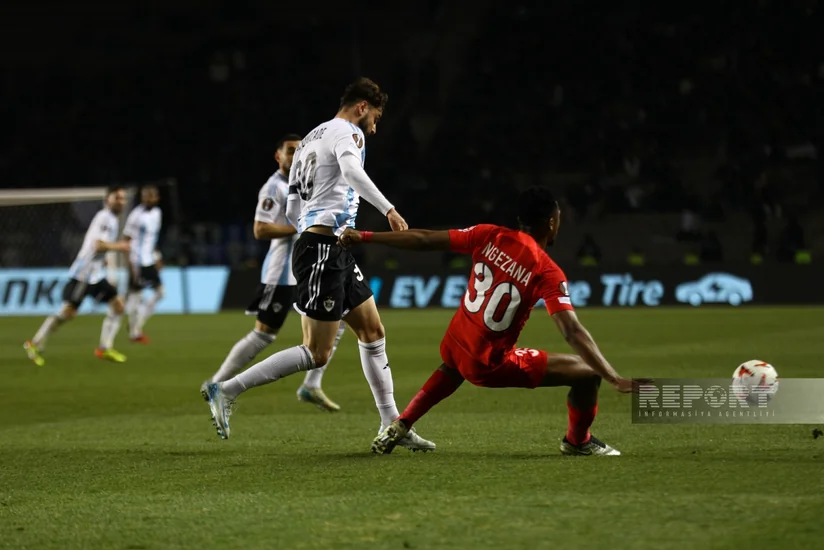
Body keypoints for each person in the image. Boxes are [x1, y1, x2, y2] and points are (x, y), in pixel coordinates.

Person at [202, 77, 435, 451]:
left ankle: (392, 424)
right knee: (317, 352)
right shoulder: (348, 133)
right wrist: (388, 209)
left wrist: (315, 226)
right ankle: (227, 389)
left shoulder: (311, 138)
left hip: (327, 245)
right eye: (375, 117)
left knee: (373, 333)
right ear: (362, 107)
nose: (374, 127)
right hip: (324, 249)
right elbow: (351, 172)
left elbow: (294, 203)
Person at [339, 186, 649, 456]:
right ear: (552, 222)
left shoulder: (489, 235)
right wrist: (611, 377)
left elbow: (423, 240)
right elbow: (571, 329)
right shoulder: (546, 270)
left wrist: (364, 236)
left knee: (453, 365)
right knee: (586, 375)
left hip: (454, 343)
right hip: (487, 362)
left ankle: (402, 423)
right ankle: (578, 441)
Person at [201, 135, 342, 414]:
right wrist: (304, 226)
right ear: (277, 156)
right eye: (290, 151)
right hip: (281, 273)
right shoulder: (274, 187)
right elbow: (260, 230)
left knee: (341, 317)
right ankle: (215, 384)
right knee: (264, 335)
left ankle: (311, 385)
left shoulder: (305, 183)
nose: (296, 155)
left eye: (300, 150)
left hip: (308, 269)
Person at [24, 186, 131, 365]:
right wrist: (120, 246)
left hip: (95, 274)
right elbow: (98, 245)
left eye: (123, 198)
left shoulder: (111, 219)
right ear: (107, 200)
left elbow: (96, 246)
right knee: (68, 312)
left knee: (118, 305)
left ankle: (104, 348)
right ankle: (33, 343)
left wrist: (103, 259)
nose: (121, 201)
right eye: (116, 198)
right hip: (84, 275)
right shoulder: (105, 217)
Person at [123, 185, 164, 343]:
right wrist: (130, 266)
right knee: (135, 295)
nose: (147, 199)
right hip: (137, 262)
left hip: (149, 260)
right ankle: (134, 330)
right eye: (145, 196)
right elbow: (126, 241)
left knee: (160, 293)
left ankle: (136, 324)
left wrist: (157, 257)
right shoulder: (135, 215)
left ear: (157, 198)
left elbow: (152, 239)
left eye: (150, 196)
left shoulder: (157, 213)